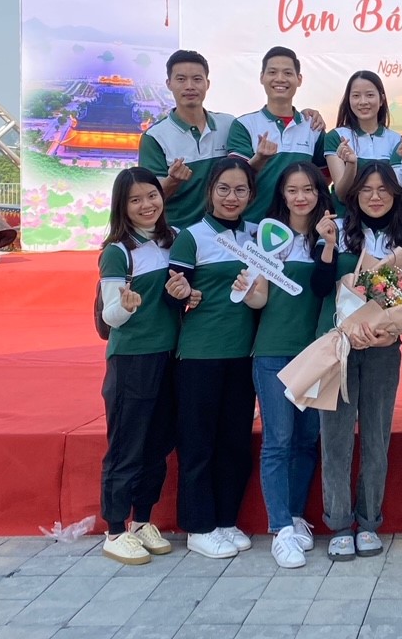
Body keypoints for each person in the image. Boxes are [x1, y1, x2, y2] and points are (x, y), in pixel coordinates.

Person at [165, 156, 267, 559]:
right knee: (198, 443)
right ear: (209, 191)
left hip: (244, 355)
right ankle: (198, 526)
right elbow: (173, 294)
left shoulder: (257, 235)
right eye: (223, 188)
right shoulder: (192, 237)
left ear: (251, 195)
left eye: (240, 190)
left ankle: (225, 519)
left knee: (235, 442)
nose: (231, 197)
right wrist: (181, 294)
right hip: (199, 355)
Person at [315, 161, 402, 562]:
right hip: (336, 345)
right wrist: (327, 247)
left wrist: (392, 331)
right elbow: (319, 287)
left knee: (376, 435)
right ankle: (339, 523)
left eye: (383, 189)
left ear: (396, 195)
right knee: (335, 437)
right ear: (354, 195)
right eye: (367, 189)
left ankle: (369, 520)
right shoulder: (336, 229)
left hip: (383, 347)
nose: (375, 196)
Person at [251, 162, 336, 569]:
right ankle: (280, 527)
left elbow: (324, 287)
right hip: (272, 351)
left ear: (320, 193)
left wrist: (328, 244)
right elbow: (258, 299)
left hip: (316, 354)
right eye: (292, 190)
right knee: (278, 440)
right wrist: (247, 288)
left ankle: (297, 515)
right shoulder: (268, 236)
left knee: (305, 439)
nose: (301, 197)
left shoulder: (328, 235)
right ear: (281, 195)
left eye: (308, 189)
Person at [98, 167, 180, 565]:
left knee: (157, 445)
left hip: (171, 356)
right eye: (135, 200)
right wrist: (126, 307)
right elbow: (110, 315)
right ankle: (115, 529)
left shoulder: (173, 239)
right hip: (132, 360)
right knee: (126, 447)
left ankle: (142, 521)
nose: (147, 205)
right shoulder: (118, 251)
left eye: (152, 195)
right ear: (122, 206)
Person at [225, 45, 326, 220]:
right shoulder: (244, 125)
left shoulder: (313, 127)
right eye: (272, 72)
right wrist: (259, 159)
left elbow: (323, 177)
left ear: (299, 79)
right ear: (262, 77)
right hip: (253, 225)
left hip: (300, 228)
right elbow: (234, 180)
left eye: (288, 73)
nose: (280, 79)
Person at [139, 50, 237, 228]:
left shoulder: (229, 124)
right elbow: (149, 199)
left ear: (207, 83)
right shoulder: (154, 137)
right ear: (169, 84)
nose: (190, 86)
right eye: (181, 79)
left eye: (197, 79)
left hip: (225, 232)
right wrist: (173, 180)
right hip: (177, 233)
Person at [323, 70, 402, 214]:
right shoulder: (336, 137)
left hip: (386, 223)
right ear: (348, 100)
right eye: (356, 96)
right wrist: (351, 164)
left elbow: (399, 195)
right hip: (347, 222)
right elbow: (342, 195)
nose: (363, 102)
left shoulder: (396, 140)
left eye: (370, 95)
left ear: (382, 100)